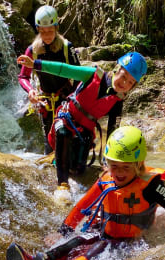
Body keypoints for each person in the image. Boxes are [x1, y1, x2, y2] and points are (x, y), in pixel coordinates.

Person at [6, 126, 165, 260]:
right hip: (104, 231)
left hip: (129, 241)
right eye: (114, 166)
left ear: (138, 164)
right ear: (107, 163)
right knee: (76, 241)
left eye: (126, 167)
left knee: (97, 250)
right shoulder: (106, 179)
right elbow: (82, 205)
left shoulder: (149, 185)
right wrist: (63, 231)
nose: (119, 172)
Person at [17, 51, 147, 203]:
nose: (124, 83)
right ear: (117, 69)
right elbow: (63, 69)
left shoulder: (118, 100)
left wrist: (108, 163)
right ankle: (62, 185)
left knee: (78, 170)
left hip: (83, 133)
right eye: (123, 76)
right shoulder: (93, 75)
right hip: (66, 119)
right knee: (63, 132)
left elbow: (114, 132)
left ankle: (57, 159)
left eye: (130, 82)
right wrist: (35, 64)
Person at [18, 5, 80, 155]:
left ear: (56, 27)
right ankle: (51, 165)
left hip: (66, 98)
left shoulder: (66, 48)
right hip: (46, 102)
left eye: (50, 30)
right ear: (38, 29)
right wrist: (31, 90)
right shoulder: (32, 50)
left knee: (67, 134)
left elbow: (79, 75)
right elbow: (23, 77)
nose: (46, 35)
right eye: (42, 31)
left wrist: (76, 98)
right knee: (49, 138)